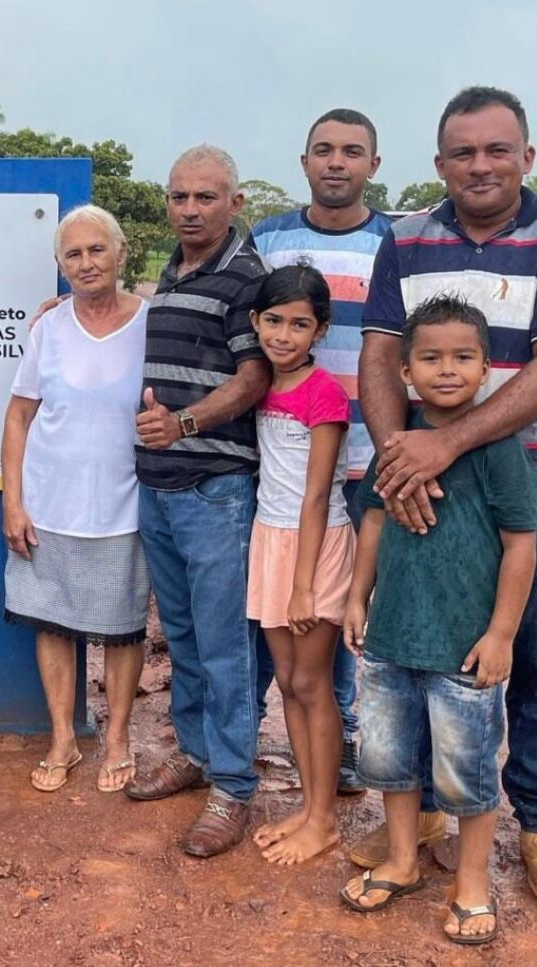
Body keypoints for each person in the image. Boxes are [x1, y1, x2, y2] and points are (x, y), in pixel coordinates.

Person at [356, 86, 537, 891]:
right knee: (422, 651)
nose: (480, 165)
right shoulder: (403, 239)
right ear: (438, 163)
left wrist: (447, 442)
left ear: (526, 157)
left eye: (497, 149)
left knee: (520, 655)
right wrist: (399, 459)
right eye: (463, 152)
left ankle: (529, 821)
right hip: (418, 482)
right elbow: (379, 352)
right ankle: (419, 815)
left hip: (517, 475)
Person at [341, 295, 536, 945]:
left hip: (462, 647)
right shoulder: (396, 442)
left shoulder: (498, 447)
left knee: (465, 771)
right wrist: (353, 597)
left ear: (486, 369)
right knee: (389, 761)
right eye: (429, 356)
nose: (445, 369)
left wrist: (501, 632)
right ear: (403, 369)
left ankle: (473, 884)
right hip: (390, 637)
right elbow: (370, 518)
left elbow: (520, 541)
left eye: (462, 357)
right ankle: (401, 859)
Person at [123, 146, 271, 857]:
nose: (189, 209)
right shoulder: (174, 268)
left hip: (215, 489)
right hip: (157, 486)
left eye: (204, 197)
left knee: (223, 645)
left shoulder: (246, 278)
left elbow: (253, 377)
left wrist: (183, 423)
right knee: (178, 637)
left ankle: (234, 785)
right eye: (179, 196)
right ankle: (195, 752)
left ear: (233, 203)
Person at [252, 108, 391, 797]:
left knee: (345, 628)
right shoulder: (267, 237)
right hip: (283, 467)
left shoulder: (393, 242)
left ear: (373, 164)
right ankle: (312, 764)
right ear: (303, 161)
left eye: (352, 151)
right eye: (323, 150)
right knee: (295, 653)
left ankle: (346, 764)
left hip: (368, 456)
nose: (336, 162)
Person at [2, 204, 150, 794]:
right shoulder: (50, 327)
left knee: (122, 629)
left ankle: (117, 739)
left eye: (96, 250)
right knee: (54, 623)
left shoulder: (151, 321)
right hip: (49, 505)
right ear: (60, 265)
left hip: (123, 505)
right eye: (73, 254)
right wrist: (13, 500)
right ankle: (63, 738)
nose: (85, 263)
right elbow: (18, 416)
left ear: (120, 253)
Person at [245, 265, 355, 864]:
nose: (284, 335)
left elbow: (316, 496)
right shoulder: (261, 382)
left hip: (315, 548)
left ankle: (325, 818)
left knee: (313, 681)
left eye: (300, 324)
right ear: (257, 322)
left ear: (320, 328)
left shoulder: (325, 394)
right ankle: (311, 808)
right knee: (288, 681)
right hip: (271, 539)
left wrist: (304, 587)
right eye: (275, 321)